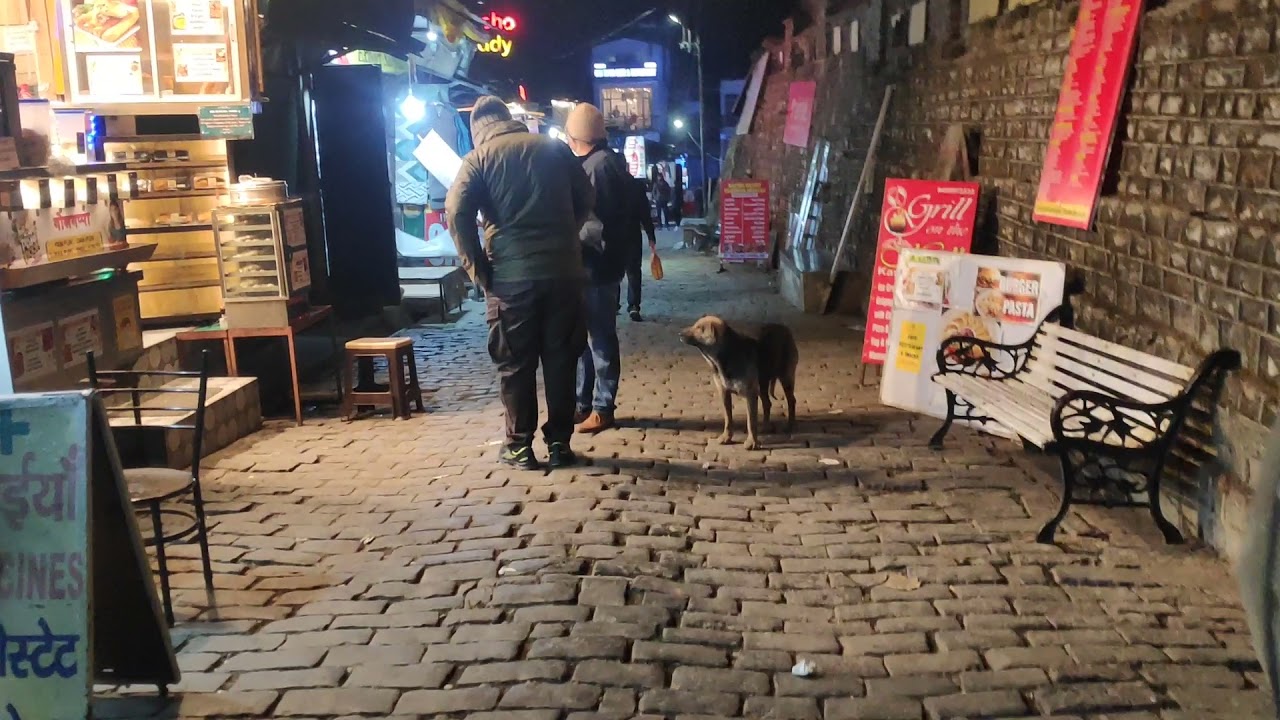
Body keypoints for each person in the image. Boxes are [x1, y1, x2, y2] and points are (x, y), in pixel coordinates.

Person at [446, 96, 594, 471]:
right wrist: (566, 234)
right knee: (562, 360)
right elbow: (586, 196)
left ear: (477, 130)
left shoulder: (478, 159)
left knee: (516, 364)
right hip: (564, 275)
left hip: (511, 280)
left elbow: (456, 213)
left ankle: (518, 445)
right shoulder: (555, 149)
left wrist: (478, 270)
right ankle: (560, 443)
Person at [565, 103, 631, 434]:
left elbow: (599, 224)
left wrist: (571, 238)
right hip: (596, 266)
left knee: (600, 339)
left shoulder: (598, 167)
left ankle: (602, 407)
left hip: (597, 266)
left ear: (575, 135)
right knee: (588, 339)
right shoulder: (602, 163)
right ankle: (585, 404)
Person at [625, 177, 658, 322]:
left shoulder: (607, 182)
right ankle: (633, 305)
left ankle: (614, 305)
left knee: (613, 272)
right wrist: (651, 236)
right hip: (631, 235)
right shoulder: (635, 186)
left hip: (611, 236)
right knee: (633, 272)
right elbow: (645, 213)